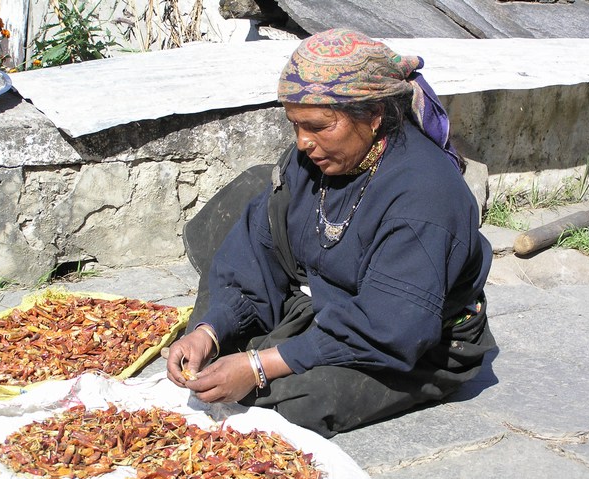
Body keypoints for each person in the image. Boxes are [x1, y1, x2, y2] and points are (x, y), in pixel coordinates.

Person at [167, 28, 496, 438]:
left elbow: (393, 324)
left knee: (291, 402)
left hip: (416, 340)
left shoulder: (424, 197)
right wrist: (210, 330)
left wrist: (258, 366)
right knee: (223, 338)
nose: (303, 142)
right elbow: (259, 249)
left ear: (374, 116)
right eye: (295, 125)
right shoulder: (312, 161)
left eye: (319, 126)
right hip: (328, 304)